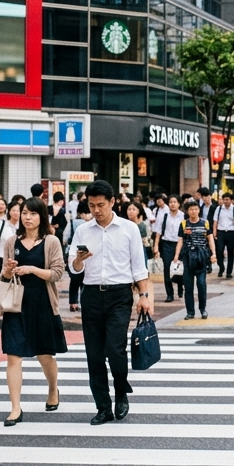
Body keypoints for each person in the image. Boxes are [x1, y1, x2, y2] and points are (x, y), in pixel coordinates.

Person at [68, 180, 153, 426]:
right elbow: (74, 269)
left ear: (113, 202)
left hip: (119, 295)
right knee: (94, 355)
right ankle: (103, 407)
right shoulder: (83, 231)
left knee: (115, 350)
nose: (96, 210)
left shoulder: (128, 229)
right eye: (92, 205)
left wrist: (144, 297)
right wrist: (79, 261)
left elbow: (139, 266)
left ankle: (121, 392)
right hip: (92, 294)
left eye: (101, 205)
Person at [0, 196, 69, 426]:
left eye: (33, 213)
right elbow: (3, 276)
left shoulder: (51, 241)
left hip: (43, 304)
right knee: (13, 355)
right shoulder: (11, 242)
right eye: (24, 213)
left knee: (44, 354)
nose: (27, 217)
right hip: (16, 305)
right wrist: (9, 271)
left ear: (42, 217)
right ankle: (15, 408)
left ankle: (52, 389)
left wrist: (33, 269)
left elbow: (58, 272)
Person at [177, 200, 215, 319]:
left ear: (199, 210)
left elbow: (210, 239)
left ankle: (203, 309)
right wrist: (176, 256)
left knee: (201, 284)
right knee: (188, 286)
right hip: (188, 257)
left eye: (196, 209)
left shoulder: (205, 223)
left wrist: (213, 254)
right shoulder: (184, 224)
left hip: (201, 257)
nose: (193, 211)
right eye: (191, 209)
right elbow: (180, 240)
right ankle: (190, 312)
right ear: (187, 211)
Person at [152, 195, 184, 302]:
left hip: (180, 244)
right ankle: (169, 294)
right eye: (171, 202)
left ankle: (180, 285)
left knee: (180, 268)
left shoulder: (183, 216)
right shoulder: (164, 215)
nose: (173, 204)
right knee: (167, 269)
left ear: (179, 204)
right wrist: (156, 245)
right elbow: (158, 232)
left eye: (175, 202)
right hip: (166, 245)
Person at [212, 192, 234, 279]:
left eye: (227, 199)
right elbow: (215, 221)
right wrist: (214, 232)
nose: (226, 201)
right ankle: (221, 267)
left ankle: (229, 272)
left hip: (232, 232)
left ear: (231, 200)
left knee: (231, 252)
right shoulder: (219, 208)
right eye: (224, 199)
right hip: (221, 232)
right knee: (219, 251)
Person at [125, 202, 151, 266]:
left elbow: (145, 240)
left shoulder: (142, 225)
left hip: (140, 250)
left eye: (133, 209)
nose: (131, 211)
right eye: (129, 209)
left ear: (138, 211)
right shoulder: (124, 224)